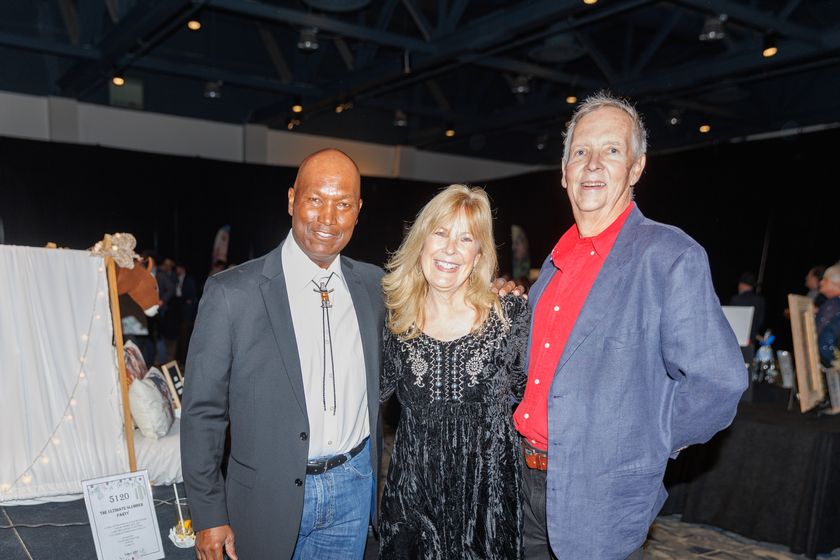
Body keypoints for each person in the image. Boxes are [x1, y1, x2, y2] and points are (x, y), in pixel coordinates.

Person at [512, 92, 747, 559]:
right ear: (564, 173)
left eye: (611, 150)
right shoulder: (553, 266)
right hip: (523, 488)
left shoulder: (669, 257)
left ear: (636, 168)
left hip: (599, 500)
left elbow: (719, 382)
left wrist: (642, 444)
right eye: (580, 151)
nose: (593, 163)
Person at [181, 148, 384, 560]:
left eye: (343, 204)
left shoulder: (376, 287)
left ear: (358, 210)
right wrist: (207, 514)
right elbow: (203, 412)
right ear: (292, 200)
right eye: (315, 200)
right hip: (265, 501)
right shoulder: (231, 293)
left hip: (353, 491)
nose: (328, 218)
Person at [379, 184, 530, 558]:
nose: (450, 249)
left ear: (479, 254)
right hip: (413, 509)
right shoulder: (396, 322)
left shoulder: (510, 318)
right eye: (441, 233)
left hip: (487, 512)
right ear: (421, 241)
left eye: (466, 239)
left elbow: (535, 402)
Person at [729, 272, 766, 344]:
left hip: (736, 339)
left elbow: (730, 320)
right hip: (751, 340)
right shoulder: (760, 301)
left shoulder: (736, 299)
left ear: (742, 285)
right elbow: (760, 321)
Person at [816, 263, 840, 367]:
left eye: (826, 279)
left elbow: (824, 343)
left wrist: (832, 364)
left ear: (837, 283)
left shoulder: (833, 304)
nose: (821, 281)